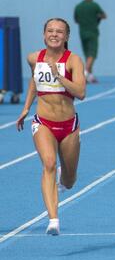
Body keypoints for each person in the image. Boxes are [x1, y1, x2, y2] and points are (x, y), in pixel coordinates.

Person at [15, 18, 87, 236]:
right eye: (50, 31)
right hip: (43, 121)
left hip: (68, 125)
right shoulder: (34, 58)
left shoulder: (73, 60)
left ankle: (63, 182)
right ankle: (53, 219)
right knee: (48, 163)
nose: (54, 34)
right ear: (44, 34)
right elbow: (34, 82)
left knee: (69, 178)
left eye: (59, 31)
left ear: (66, 37)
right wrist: (26, 108)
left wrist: (59, 76)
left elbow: (81, 93)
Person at [73, 0, 106, 83]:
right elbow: (104, 15)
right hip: (92, 33)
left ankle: (90, 76)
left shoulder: (78, 6)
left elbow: (76, 20)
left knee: (87, 55)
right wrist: (97, 18)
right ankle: (85, 73)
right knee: (92, 54)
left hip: (82, 33)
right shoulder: (94, 5)